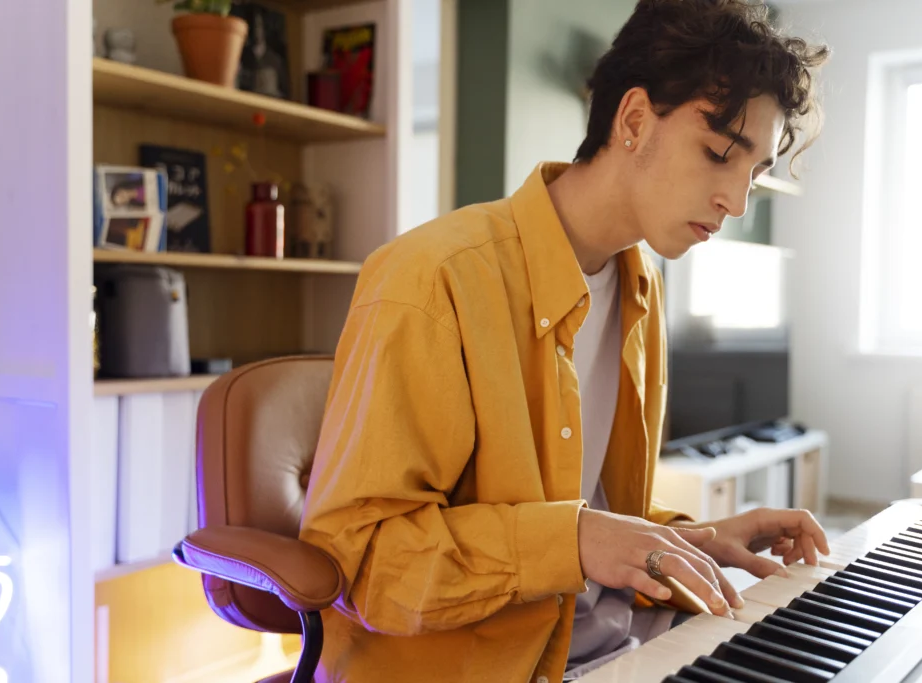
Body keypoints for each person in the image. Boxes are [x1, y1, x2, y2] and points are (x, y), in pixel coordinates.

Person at [298, 1, 832, 681]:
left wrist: (695, 537)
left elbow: (599, 523)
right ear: (634, 120)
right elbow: (361, 560)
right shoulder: (433, 277)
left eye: (752, 174)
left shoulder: (640, 289)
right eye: (720, 153)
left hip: (618, 642)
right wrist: (572, 537)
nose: (736, 200)